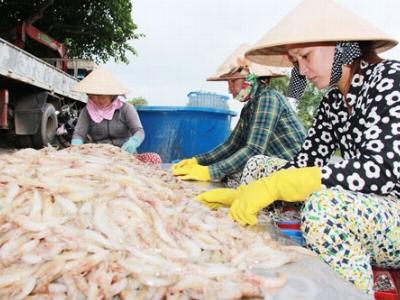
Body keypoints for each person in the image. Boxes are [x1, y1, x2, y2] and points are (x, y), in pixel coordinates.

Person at [196, 0, 400, 294]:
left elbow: (380, 171)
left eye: (306, 56)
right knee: (260, 166)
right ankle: (257, 247)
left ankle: (352, 292)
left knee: (325, 209)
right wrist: (247, 190)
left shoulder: (390, 80)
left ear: (344, 46)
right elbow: (305, 162)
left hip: (392, 208)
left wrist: (282, 184)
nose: (302, 72)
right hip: (371, 202)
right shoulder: (332, 102)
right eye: (295, 63)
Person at [172, 44, 306, 187]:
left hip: (296, 174)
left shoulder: (268, 99)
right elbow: (232, 145)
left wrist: (210, 171)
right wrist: (197, 161)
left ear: (250, 78)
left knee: (232, 175)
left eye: (232, 81)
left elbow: (253, 150)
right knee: (228, 175)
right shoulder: (249, 107)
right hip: (277, 172)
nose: (229, 89)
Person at [71, 67, 161, 164]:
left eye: (103, 97)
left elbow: (139, 131)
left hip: (126, 157)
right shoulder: (87, 112)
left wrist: (134, 141)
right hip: (99, 158)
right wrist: (76, 145)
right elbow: (79, 134)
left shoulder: (126, 109)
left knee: (154, 159)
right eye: (95, 97)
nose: (99, 100)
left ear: (112, 95)